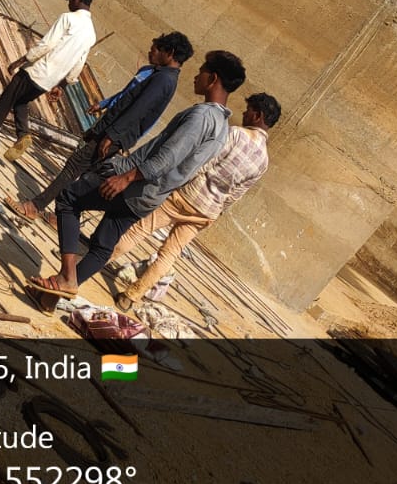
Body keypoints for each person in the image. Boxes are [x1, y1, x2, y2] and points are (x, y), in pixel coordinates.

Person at [26, 50, 244, 299]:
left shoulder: (202, 116)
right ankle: (51, 297)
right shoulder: (222, 128)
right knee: (103, 244)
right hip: (152, 197)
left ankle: (67, 277)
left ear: (212, 78)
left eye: (201, 71)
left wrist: (126, 178)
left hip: (136, 185)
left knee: (68, 199)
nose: (196, 76)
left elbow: (167, 158)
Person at [110, 92, 280, 310]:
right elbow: (237, 193)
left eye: (248, 111)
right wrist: (217, 211)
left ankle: (93, 261)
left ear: (258, 116)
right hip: (207, 211)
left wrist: (177, 182)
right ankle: (131, 297)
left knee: (138, 230)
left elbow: (205, 162)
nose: (244, 114)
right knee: (170, 253)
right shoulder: (264, 161)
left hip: (187, 195)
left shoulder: (236, 134)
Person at [15, 31, 193, 222]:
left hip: (114, 134)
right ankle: (63, 217)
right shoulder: (161, 76)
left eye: (158, 50)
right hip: (113, 131)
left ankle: (35, 206)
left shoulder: (163, 79)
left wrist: (111, 136)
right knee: (86, 173)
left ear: (170, 52)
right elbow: (127, 97)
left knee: (74, 165)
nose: (152, 53)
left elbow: (137, 110)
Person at [0, 0, 96, 163]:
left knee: (6, 100)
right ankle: (23, 134)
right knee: (20, 102)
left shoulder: (68, 18)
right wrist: (62, 85)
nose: (69, 3)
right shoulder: (91, 34)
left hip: (37, 70)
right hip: (49, 81)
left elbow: (47, 44)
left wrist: (21, 60)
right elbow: (79, 64)